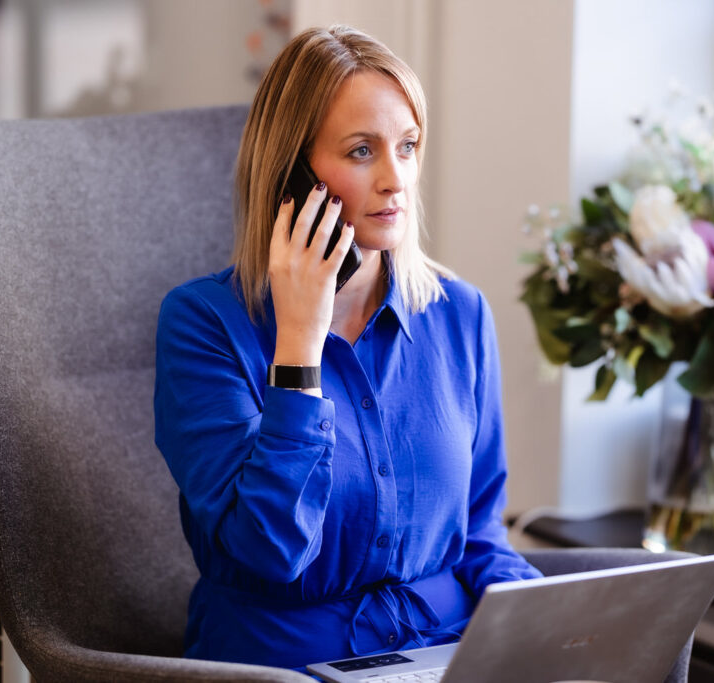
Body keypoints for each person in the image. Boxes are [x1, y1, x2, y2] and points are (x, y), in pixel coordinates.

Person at [153, 25, 543, 671]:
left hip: (445, 653)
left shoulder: (459, 312)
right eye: (362, 151)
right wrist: (300, 342)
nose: (397, 179)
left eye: (409, 146)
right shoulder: (202, 323)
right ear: (292, 174)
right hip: (285, 665)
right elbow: (270, 549)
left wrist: (555, 623)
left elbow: (477, 530)